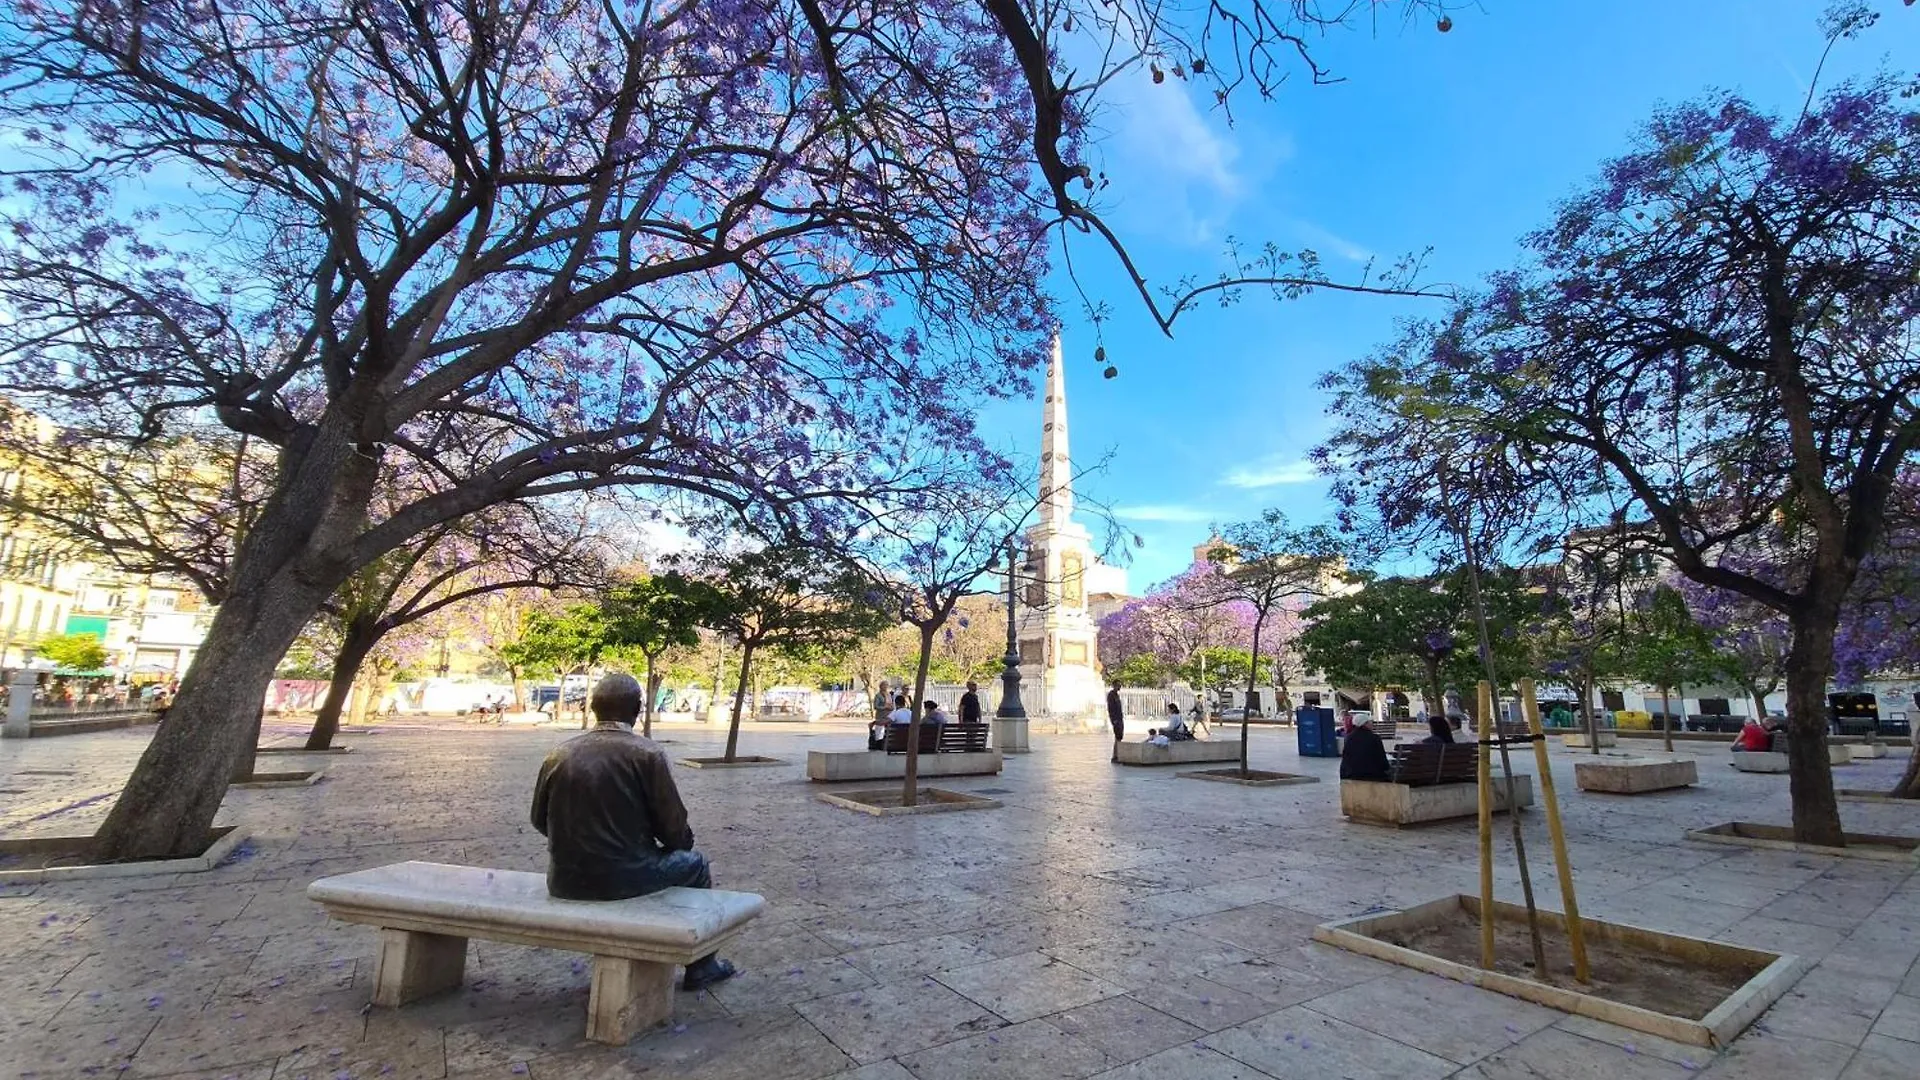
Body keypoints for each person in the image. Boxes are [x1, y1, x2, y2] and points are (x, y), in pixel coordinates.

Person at [530, 673, 736, 992]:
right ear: (637, 708)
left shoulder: (558, 753)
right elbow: (674, 831)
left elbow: (538, 820)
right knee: (695, 864)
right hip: (625, 877)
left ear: (594, 707)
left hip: (564, 879)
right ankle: (703, 965)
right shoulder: (647, 754)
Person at [1340, 713, 1392, 781]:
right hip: (1372, 775)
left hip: (1351, 774)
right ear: (1364, 724)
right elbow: (1382, 759)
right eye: (1369, 722)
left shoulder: (1349, 738)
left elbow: (1346, 758)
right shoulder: (1374, 738)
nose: (1371, 724)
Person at [1107, 682, 1125, 762]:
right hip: (1116, 719)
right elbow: (1111, 708)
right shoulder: (1111, 695)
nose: (1120, 686)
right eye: (1118, 685)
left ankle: (1117, 755)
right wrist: (1114, 720)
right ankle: (1115, 756)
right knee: (1118, 737)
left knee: (1119, 737)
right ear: (1114, 685)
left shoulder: (1116, 694)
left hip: (1119, 718)